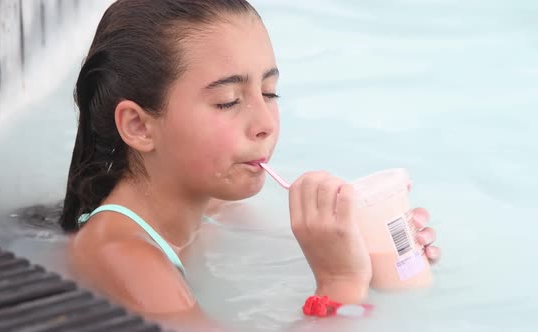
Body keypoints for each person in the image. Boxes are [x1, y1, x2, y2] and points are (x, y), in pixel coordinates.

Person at [59, 0, 441, 330]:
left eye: (269, 92)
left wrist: (374, 251)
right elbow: (336, 281)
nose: (266, 124)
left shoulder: (215, 209)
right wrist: (340, 284)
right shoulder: (121, 257)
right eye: (228, 101)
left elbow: (312, 262)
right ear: (139, 126)